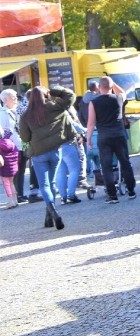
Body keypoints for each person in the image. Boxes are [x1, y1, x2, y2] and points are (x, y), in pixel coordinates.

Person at [21, 86, 79, 229]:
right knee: (51, 183)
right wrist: (53, 90)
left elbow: (25, 137)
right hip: (55, 151)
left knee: (44, 185)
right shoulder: (54, 107)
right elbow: (70, 95)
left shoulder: (26, 115)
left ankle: (52, 211)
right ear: (46, 95)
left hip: (38, 153)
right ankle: (49, 216)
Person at [87, 77, 137, 203]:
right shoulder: (119, 98)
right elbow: (123, 92)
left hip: (104, 137)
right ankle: (131, 191)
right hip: (119, 135)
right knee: (125, 163)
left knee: (106, 166)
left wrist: (88, 138)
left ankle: (112, 196)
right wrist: (113, 83)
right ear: (111, 86)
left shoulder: (94, 102)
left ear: (99, 87)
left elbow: (91, 123)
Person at [0, 89, 25, 204]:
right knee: (11, 173)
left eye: (16, 96)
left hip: (22, 144)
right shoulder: (2, 113)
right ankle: (15, 197)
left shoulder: (20, 110)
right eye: (13, 97)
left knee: (21, 170)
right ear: (5, 100)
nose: (16, 99)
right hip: (9, 148)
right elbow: (3, 133)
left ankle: (20, 194)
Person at [0, 128, 19, 209]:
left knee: (6, 184)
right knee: (11, 183)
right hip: (12, 167)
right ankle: (15, 200)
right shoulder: (11, 142)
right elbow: (17, 153)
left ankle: (10, 201)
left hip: (4, 168)